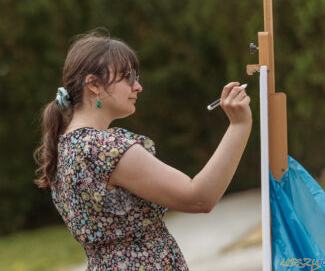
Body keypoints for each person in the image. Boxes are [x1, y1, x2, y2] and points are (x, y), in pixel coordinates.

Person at [34, 28, 252, 270]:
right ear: (93, 84)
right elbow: (199, 198)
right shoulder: (106, 149)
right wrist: (239, 125)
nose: (137, 87)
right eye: (127, 77)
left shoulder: (66, 147)